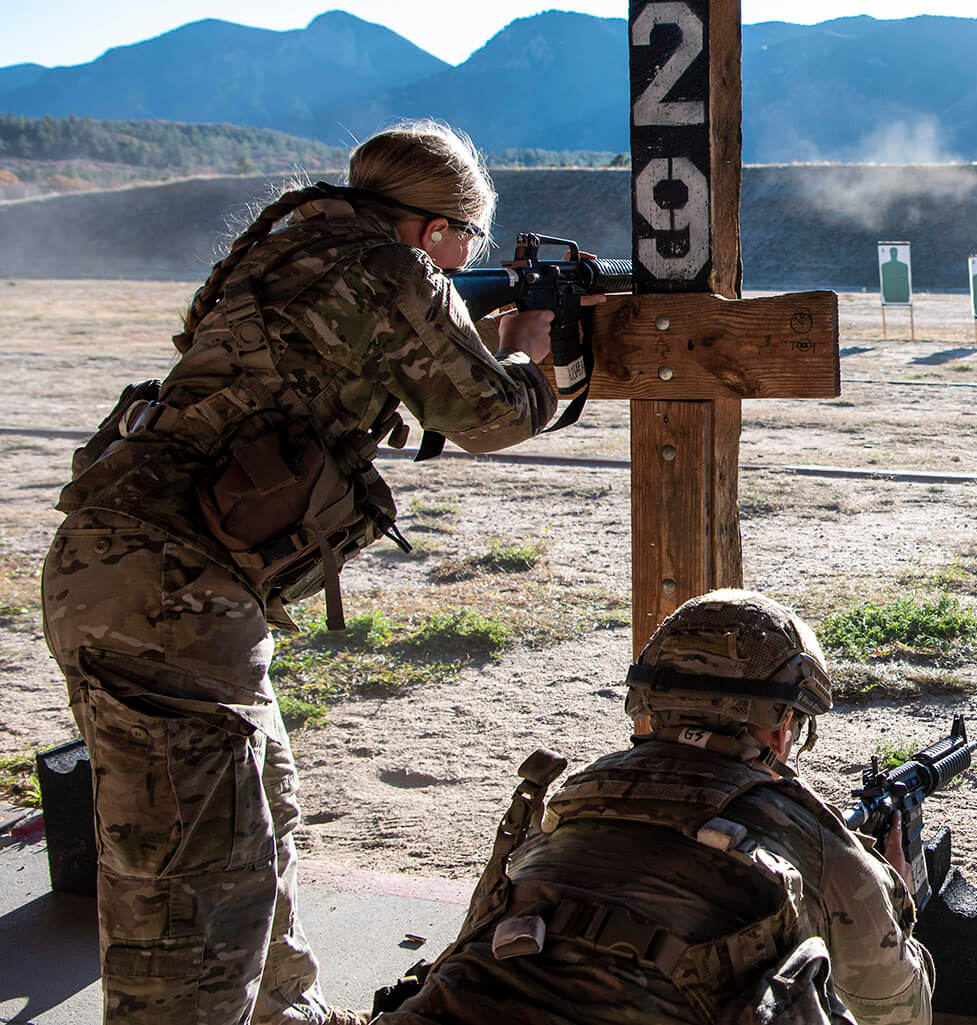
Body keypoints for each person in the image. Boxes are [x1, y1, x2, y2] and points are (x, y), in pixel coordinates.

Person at [41, 120, 583, 1025]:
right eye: (467, 242)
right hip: (174, 599)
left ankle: (285, 1009)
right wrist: (530, 359)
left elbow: (326, 360)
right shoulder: (386, 270)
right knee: (192, 897)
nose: (462, 261)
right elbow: (486, 414)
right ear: (433, 228)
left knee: (259, 815)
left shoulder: (289, 248)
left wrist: (451, 332)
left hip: (131, 574)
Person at [378, 589, 934, 1025]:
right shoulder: (805, 828)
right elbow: (893, 1007)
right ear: (782, 723)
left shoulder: (576, 793)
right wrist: (895, 894)